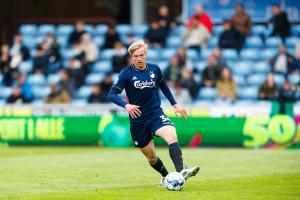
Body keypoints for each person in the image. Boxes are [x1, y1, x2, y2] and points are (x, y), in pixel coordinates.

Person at [107, 40, 199, 186]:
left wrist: (175, 105)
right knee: (151, 158)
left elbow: (163, 85)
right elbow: (111, 94)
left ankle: (181, 172)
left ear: (146, 54)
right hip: (138, 120)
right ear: (132, 57)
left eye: (142, 55)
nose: (139, 58)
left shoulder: (155, 70)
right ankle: (166, 176)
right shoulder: (126, 74)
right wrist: (126, 105)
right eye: (136, 56)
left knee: (172, 135)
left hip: (155, 113)